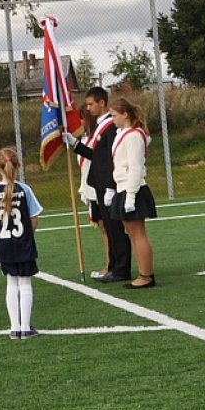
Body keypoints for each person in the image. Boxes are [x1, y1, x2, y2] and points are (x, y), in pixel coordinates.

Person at [64, 87, 132, 283]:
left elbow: (111, 159)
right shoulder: (99, 126)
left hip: (108, 183)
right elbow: (97, 156)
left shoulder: (110, 126)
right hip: (99, 183)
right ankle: (114, 266)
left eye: (91, 104)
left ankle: (121, 269)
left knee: (116, 228)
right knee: (109, 228)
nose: (88, 108)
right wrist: (75, 145)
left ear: (102, 103)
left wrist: (110, 185)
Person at [0, 147, 43, 339]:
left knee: (11, 283)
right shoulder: (24, 190)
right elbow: (34, 218)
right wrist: (27, 235)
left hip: (5, 246)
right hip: (23, 244)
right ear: (17, 165)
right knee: (25, 283)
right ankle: (26, 328)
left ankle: (14, 327)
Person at [107, 98, 158, 289]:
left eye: (114, 115)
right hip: (123, 187)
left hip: (133, 188)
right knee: (131, 233)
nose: (112, 119)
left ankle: (146, 275)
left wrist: (130, 196)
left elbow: (135, 168)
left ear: (125, 114)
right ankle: (142, 273)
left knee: (138, 233)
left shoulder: (133, 136)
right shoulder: (123, 133)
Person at [78, 105, 110, 280]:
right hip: (90, 188)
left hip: (100, 187)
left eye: (82, 118)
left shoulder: (97, 136)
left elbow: (94, 156)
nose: (80, 122)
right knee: (103, 228)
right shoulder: (85, 137)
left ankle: (111, 264)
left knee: (107, 227)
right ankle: (109, 263)